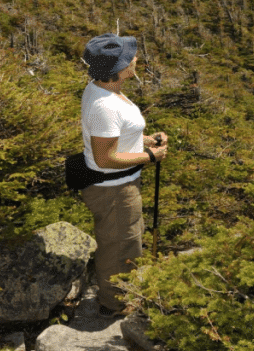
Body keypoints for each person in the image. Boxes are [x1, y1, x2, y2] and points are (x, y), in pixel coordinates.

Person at [80, 33, 168, 317]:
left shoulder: (104, 89)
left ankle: (117, 293)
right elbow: (106, 157)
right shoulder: (104, 105)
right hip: (114, 189)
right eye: (130, 58)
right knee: (119, 247)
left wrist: (143, 140)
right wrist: (151, 156)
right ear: (117, 69)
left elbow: (115, 134)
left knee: (125, 239)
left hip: (118, 184)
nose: (135, 59)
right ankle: (114, 305)